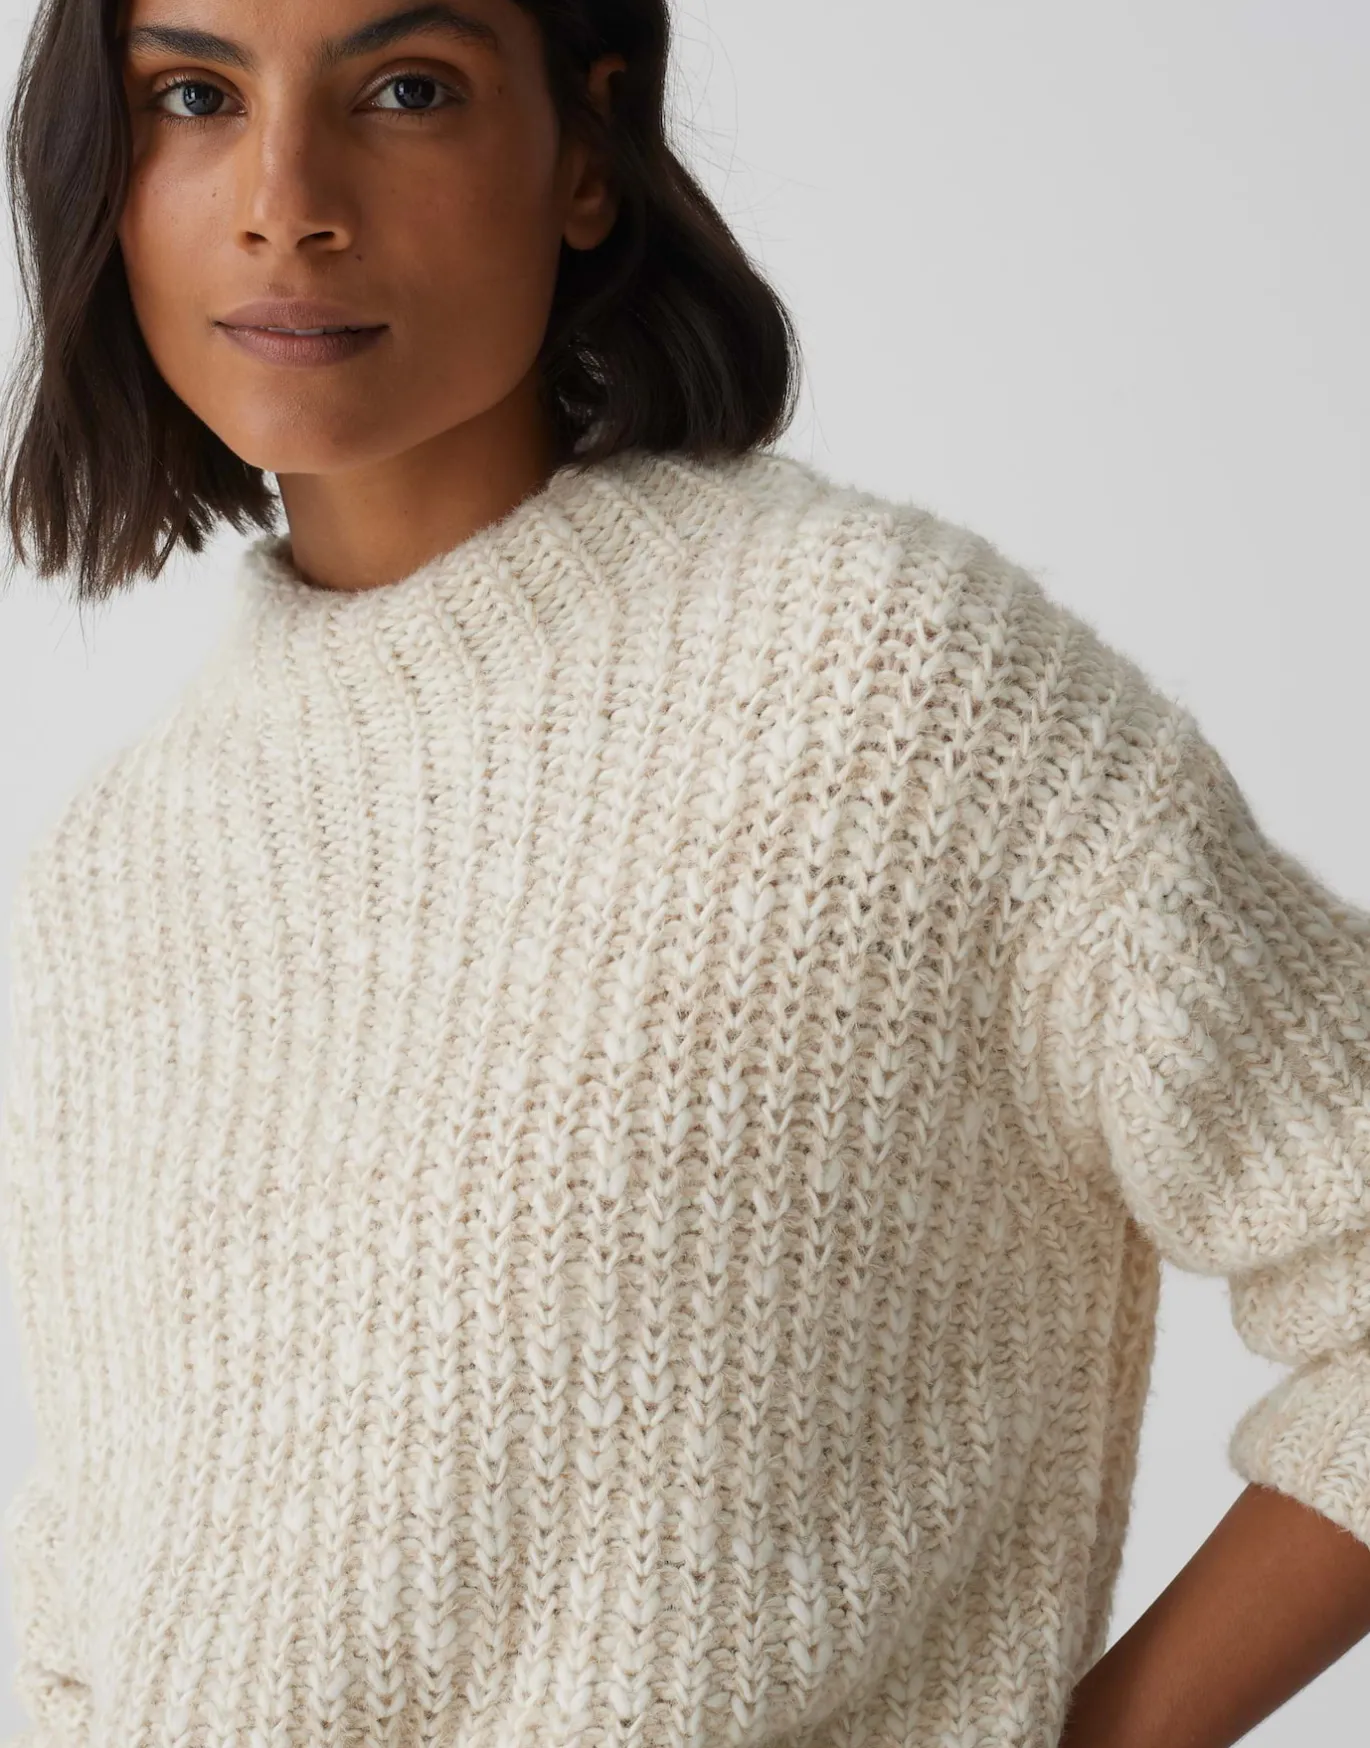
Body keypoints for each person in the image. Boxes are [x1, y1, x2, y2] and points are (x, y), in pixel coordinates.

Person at [1, 3, 1369, 1747]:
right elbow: (94, 1606)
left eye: (405, 89)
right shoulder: (112, 873)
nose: (286, 202)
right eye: (193, 96)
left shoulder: (886, 687)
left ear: (585, 155)